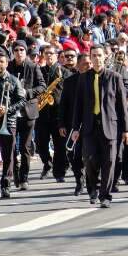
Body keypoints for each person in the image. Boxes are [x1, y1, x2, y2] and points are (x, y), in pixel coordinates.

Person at [71, 45, 128, 208]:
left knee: (110, 161)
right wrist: (75, 128)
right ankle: (93, 188)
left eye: (99, 55)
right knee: (89, 160)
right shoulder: (83, 78)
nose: (97, 58)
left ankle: (105, 195)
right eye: (94, 55)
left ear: (105, 57)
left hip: (110, 127)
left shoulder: (114, 77)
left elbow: (122, 106)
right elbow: (78, 105)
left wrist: (127, 129)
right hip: (89, 127)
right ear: (90, 58)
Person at [0, 53, 26, 199]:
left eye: (2, 62)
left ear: (7, 63)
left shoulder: (13, 80)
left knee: (8, 156)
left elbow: (21, 101)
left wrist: (7, 110)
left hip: (8, 122)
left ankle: (6, 185)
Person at [8, 40, 46, 190]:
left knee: (25, 147)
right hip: (11, 111)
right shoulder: (8, 66)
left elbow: (42, 86)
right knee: (10, 146)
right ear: (13, 52)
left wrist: (28, 92)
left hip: (28, 111)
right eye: (16, 50)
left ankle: (24, 178)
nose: (19, 52)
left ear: (25, 51)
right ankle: (15, 176)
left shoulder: (33, 66)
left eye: (22, 50)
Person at [59, 53, 91, 196]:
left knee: (91, 155)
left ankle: (92, 182)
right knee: (73, 155)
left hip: (91, 124)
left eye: (89, 63)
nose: (88, 66)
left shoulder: (97, 79)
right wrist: (61, 124)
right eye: (85, 63)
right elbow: (63, 105)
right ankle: (79, 180)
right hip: (73, 124)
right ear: (78, 65)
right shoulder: (70, 81)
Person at [38, 45, 71, 182]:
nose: (49, 55)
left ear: (57, 56)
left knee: (59, 145)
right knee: (40, 143)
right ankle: (47, 162)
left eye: (52, 53)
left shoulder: (64, 72)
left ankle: (59, 173)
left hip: (58, 113)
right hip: (42, 113)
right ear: (43, 55)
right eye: (47, 53)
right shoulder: (39, 71)